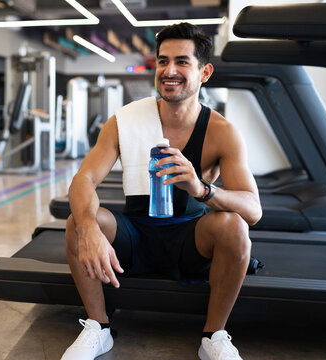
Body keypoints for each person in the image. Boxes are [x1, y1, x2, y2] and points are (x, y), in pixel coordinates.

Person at [62, 22, 262, 360]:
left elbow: (253, 209)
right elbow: (83, 179)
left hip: (189, 239)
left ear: (204, 72)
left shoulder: (222, 132)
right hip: (135, 234)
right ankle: (98, 327)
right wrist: (88, 228)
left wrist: (201, 188)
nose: (170, 71)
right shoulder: (124, 121)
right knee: (79, 220)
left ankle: (214, 335)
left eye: (182, 62)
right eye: (163, 61)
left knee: (234, 226)